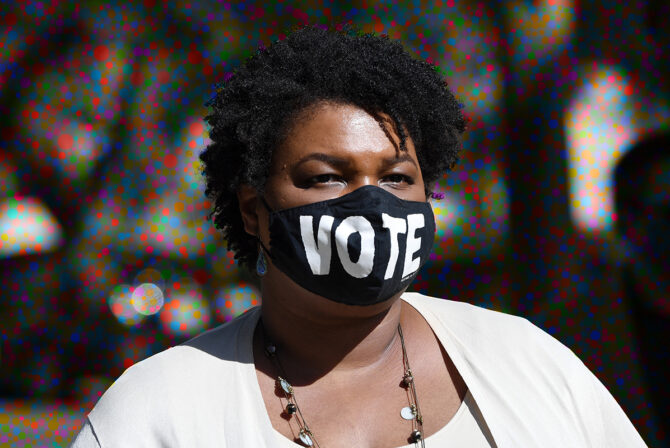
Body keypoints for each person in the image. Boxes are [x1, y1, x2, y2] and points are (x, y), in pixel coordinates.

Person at [70, 24, 646, 447]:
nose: (371, 204)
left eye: (396, 177)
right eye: (327, 177)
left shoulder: (530, 367)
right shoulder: (160, 411)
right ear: (253, 209)